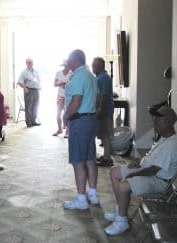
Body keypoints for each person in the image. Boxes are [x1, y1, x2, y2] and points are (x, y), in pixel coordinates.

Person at [104, 106, 177, 235]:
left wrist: (134, 174)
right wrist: (139, 163)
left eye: (157, 122)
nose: (154, 125)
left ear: (168, 123)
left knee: (124, 185)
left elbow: (153, 170)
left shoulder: (172, 144)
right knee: (114, 172)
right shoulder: (164, 138)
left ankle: (122, 222)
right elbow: (151, 157)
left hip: (159, 181)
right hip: (148, 172)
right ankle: (120, 211)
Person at [62, 49, 99, 210]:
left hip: (79, 120)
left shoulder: (77, 76)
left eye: (69, 59)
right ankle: (93, 193)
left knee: (78, 160)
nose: (67, 62)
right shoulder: (91, 76)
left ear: (75, 60)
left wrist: (65, 117)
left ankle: (81, 199)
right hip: (90, 119)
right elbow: (97, 99)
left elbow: (76, 102)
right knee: (90, 158)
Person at [92, 57, 114, 166]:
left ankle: (107, 159)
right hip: (103, 111)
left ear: (100, 66)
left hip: (104, 111)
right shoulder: (100, 77)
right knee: (103, 134)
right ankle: (106, 156)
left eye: (94, 65)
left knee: (105, 135)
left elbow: (103, 95)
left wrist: (100, 109)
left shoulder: (103, 78)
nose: (92, 67)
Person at [17, 58, 41, 127]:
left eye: (32, 62)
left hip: (36, 90)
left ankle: (34, 121)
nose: (31, 63)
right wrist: (24, 88)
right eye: (29, 62)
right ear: (26, 63)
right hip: (29, 90)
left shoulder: (36, 71)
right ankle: (29, 122)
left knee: (36, 106)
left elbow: (38, 80)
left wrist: (39, 86)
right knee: (28, 107)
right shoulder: (24, 72)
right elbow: (19, 82)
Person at [53, 60, 70, 137]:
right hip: (60, 96)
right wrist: (62, 83)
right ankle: (60, 129)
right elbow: (55, 84)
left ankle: (67, 131)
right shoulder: (58, 73)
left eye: (68, 65)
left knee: (67, 114)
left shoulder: (71, 73)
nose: (66, 67)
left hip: (69, 97)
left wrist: (67, 84)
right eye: (65, 65)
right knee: (58, 114)